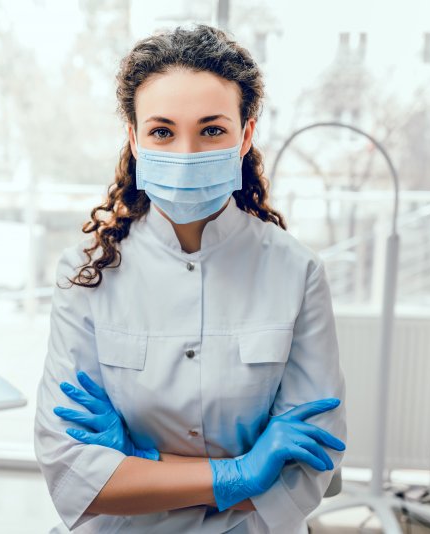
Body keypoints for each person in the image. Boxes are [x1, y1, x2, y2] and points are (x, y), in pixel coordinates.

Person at [33, 23, 347, 533]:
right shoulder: (84, 273)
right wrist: (241, 473)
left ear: (244, 136)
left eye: (211, 129)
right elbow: (71, 471)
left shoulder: (297, 272)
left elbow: (308, 471)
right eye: (162, 131)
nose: (185, 153)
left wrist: (141, 463)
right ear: (134, 138)